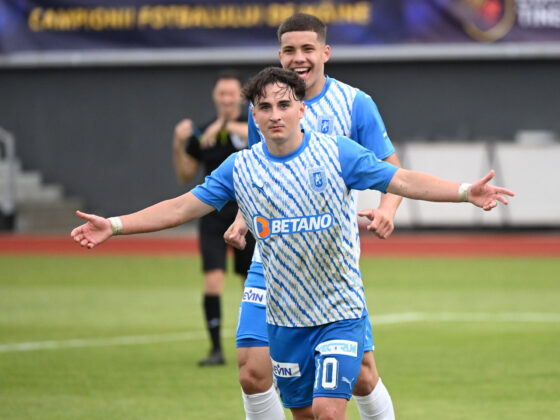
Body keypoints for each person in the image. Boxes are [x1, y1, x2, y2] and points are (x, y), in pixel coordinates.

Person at [71, 67, 514, 420]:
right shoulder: (240, 168)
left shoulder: (336, 153)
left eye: (284, 104)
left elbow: (401, 179)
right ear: (253, 115)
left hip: (339, 309)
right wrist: (115, 224)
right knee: (302, 413)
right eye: (265, 107)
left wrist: (464, 191)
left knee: (328, 412)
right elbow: (180, 207)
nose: (275, 114)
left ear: (302, 108)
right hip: (285, 318)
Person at [225, 13, 402, 420]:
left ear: (325, 52)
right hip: (272, 260)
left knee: (362, 377)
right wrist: (241, 218)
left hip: (330, 268)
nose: (298, 58)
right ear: (280, 55)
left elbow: (393, 171)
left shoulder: (355, 103)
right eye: (290, 50)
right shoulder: (265, 106)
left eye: (308, 48)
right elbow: (254, 173)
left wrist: (387, 210)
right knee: (252, 372)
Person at [172, 70, 256, 366]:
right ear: (215, 96)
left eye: (231, 93)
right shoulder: (202, 133)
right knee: (212, 281)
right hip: (213, 216)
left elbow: (259, 137)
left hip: (248, 214)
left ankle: (258, 346)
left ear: (241, 96)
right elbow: (185, 174)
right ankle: (216, 350)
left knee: (252, 284)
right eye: (222, 93)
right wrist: (178, 143)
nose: (226, 99)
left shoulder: (254, 124)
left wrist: (225, 125)